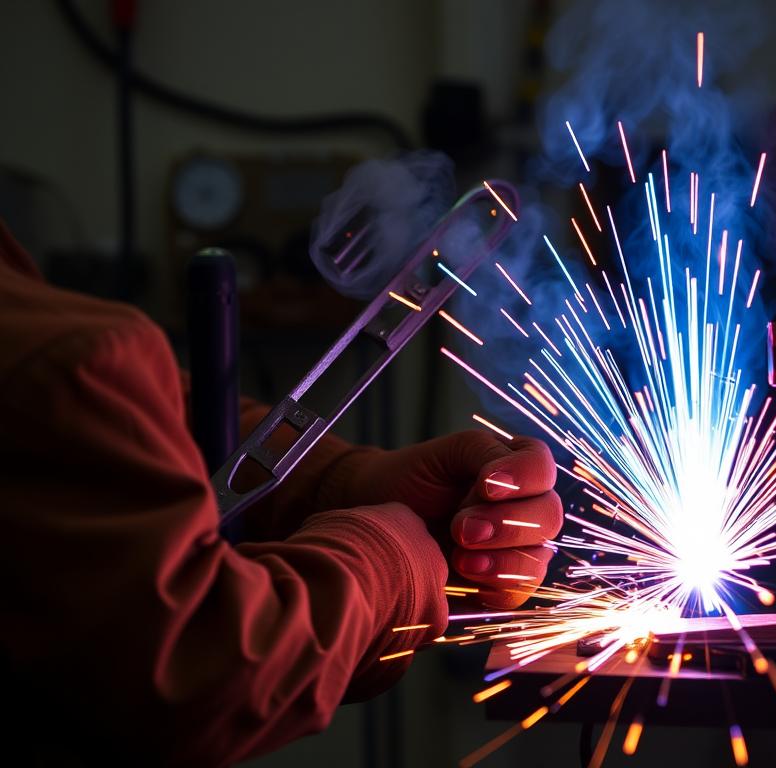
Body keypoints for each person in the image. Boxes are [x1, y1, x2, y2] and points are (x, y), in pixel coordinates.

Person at [0, 218, 562, 766]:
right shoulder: (60, 356)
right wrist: (389, 561)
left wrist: (339, 483)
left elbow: (143, 416)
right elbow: (189, 670)